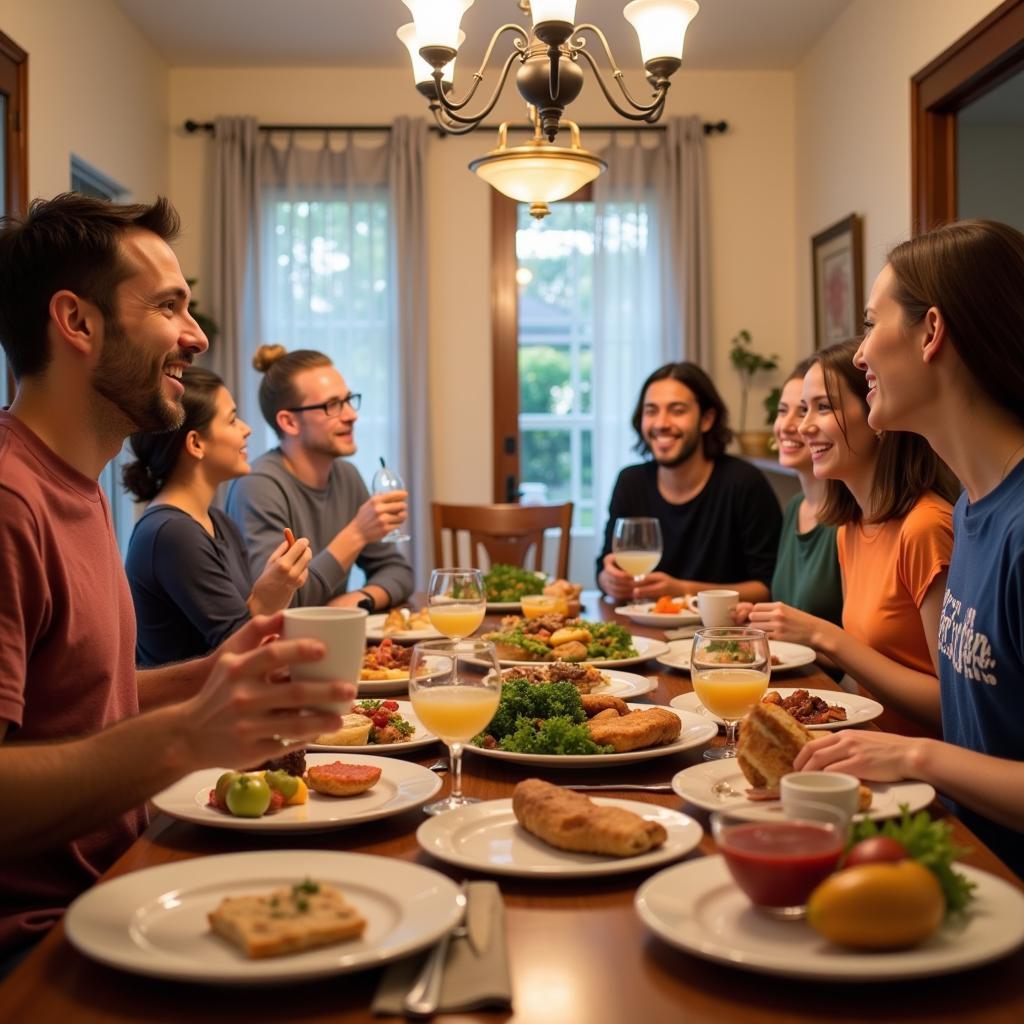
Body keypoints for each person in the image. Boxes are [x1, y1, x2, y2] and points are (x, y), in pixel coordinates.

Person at [0, 194, 352, 963]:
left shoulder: (79, 486)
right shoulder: (8, 500)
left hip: (129, 877)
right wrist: (190, 736)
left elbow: (83, 706)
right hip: (43, 943)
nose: (196, 337)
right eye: (169, 306)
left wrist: (210, 674)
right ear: (78, 323)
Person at [795, 220, 1024, 877]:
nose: (860, 352)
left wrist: (914, 757)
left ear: (931, 332)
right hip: (956, 857)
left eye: (872, 323)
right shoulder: (977, 508)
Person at [746, 339, 960, 735]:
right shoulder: (850, 527)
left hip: (924, 774)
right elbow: (863, 684)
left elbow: (954, 707)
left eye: (823, 408)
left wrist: (823, 635)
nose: (804, 426)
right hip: (863, 744)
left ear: (877, 415)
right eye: (803, 409)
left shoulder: (926, 527)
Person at [123, 366, 313, 666]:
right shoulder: (173, 534)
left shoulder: (218, 522)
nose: (246, 428)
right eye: (232, 419)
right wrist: (270, 595)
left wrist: (277, 590)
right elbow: (237, 654)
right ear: (196, 444)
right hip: (184, 711)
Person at [225, 345, 413, 611]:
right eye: (332, 405)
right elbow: (281, 603)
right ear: (289, 422)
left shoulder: (346, 476)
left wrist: (362, 600)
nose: (351, 415)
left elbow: (398, 570)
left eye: (348, 400)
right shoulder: (257, 486)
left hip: (330, 643)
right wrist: (357, 533)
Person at [597, 361, 781, 603]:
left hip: (721, 633)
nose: (661, 423)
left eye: (677, 410)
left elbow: (768, 587)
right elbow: (603, 566)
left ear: (706, 419)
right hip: (642, 632)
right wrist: (609, 580)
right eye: (651, 411)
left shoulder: (744, 483)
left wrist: (682, 590)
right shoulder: (630, 482)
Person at [736, 357, 843, 626]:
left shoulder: (850, 516)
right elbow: (791, 612)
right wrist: (757, 616)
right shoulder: (796, 506)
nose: (788, 425)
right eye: (783, 411)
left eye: (808, 410)